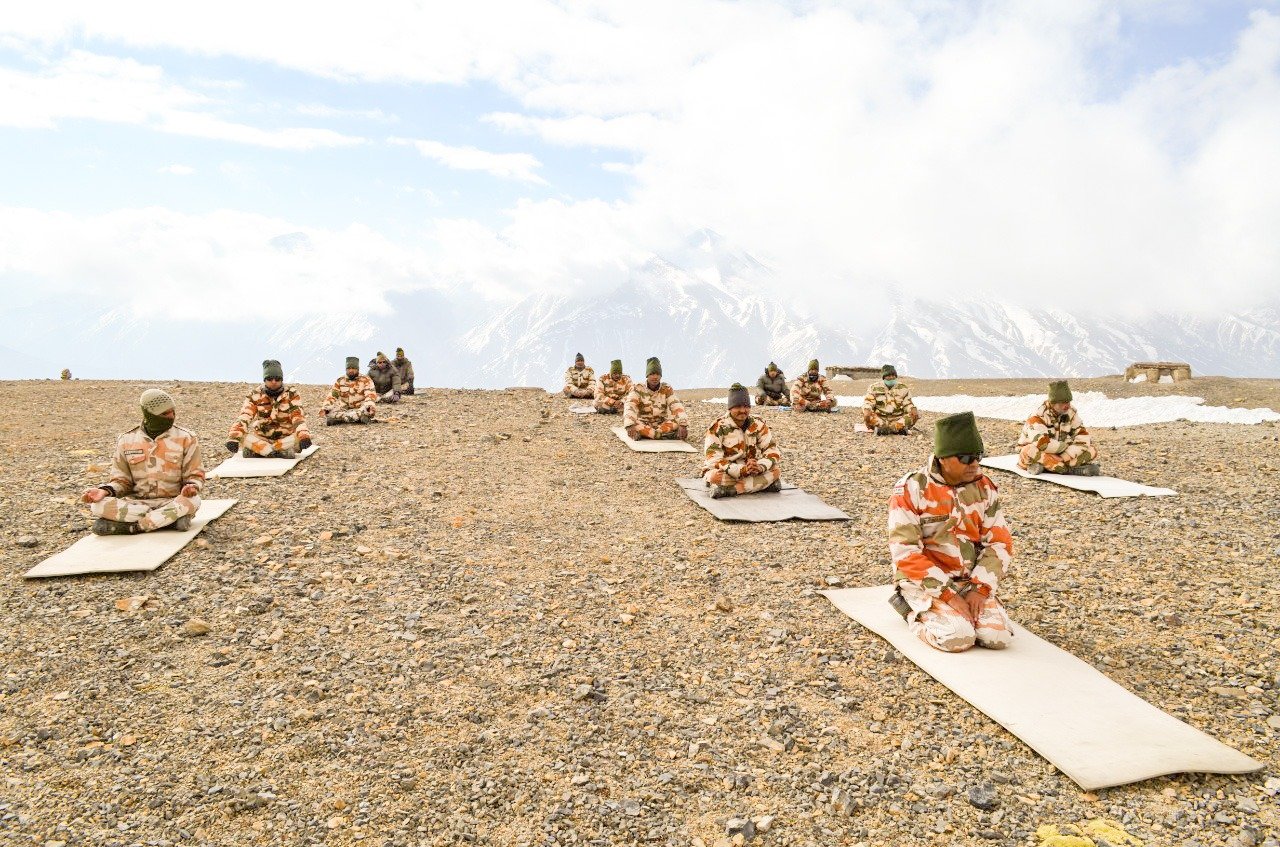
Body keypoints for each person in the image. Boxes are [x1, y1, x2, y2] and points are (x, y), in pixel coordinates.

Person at [888, 412, 1013, 652]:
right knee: (957, 638)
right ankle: (907, 608)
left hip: (968, 581)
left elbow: (999, 542)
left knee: (997, 638)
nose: (974, 464)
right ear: (943, 458)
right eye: (965, 458)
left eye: (978, 457)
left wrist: (980, 588)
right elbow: (905, 552)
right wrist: (947, 594)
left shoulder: (984, 488)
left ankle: (966, 610)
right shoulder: (911, 489)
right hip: (925, 582)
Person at [80, 389, 205, 535]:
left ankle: (133, 528)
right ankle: (165, 522)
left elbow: (195, 475)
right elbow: (121, 481)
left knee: (193, 501)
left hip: (172, 501)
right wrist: (104, 491)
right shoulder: (126, 440)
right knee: (97, 506)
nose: (171, 417)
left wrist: (191, 487)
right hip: (138, 505)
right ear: (149, 414)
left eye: (173, 412)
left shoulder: (186, 438)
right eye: (164, 414)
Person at [702, 383, 782, 498]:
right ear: (730, 408)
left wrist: (760, 466)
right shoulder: (718, 426)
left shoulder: (757, 424)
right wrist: (740, 470)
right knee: (715, 477)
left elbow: (772, 450)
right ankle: (760, 485)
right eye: (738, 406)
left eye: (746, 406)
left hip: (751, 469)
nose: (742, 410)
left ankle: (732, 490)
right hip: (728, 471)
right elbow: (713, 459)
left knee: (776, 471)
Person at [226, 359, 312, 459]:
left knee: (301, 437)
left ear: (282, 380)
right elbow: (244, 416)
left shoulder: (292, 394)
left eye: (277, 379)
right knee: (241, 436)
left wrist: (303, 436)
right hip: (262, 438)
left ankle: (262, 451)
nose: (274, 382)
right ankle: (277, 452)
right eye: (270, 379)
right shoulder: (255, 395)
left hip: (285, 438)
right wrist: (233, 437)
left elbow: (298, 417)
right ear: (264, 380)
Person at [1017, 381, 1100, 476]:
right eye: (1063, 402)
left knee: (1092, 450)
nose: (1067, 405)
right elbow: (1042, 444)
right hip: (1038, 451)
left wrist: (1064, 456)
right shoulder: (1038, 416)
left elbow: (1083, 439)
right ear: (1053, 402)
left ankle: (1047, 466)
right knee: (1028, 451)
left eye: (1068, 401)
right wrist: (1065, 446)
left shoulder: (1071, 413)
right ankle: (1071, 470)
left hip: (1059, 453)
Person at [623, 357, 688, 440]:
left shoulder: (666, 389)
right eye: (652, 374)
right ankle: (664, 435)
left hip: (661, 425)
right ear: (647, 375)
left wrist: (683, 425)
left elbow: (676, 406)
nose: (655, 377)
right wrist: (629, 425)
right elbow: (630, 406)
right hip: (643, 423)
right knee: (632, 424)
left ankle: (650, 435)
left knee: (677, 422)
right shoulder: (637, 388)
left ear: (661, 376)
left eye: (658, 374)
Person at [863, 364, 919, 434]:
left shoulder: (903, 388)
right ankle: (890, 429)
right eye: (889, 376)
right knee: (867, 413)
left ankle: (890, 429)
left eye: (893, 375)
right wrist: (867, 410)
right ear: (884, 377)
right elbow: (868, 403)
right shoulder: (874, 388)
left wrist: (912, 409)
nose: (891, 377)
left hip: (898, 419)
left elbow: (907, 404)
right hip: (880, 419)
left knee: (913, 414)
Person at [322, 357, 378, 425]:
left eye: (353, 368)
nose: (351, 370)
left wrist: (369, 406)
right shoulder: (340, 380)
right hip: (344, 409)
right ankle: (355, 419)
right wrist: (326, 407)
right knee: (329, 410)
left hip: (360, 408)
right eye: (349, 368)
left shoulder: (366, 380)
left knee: (369, 408)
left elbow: (370, 395)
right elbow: (332, 395)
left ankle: (341, 419)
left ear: (358, 369)